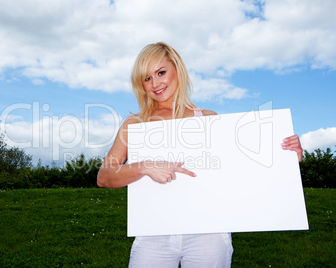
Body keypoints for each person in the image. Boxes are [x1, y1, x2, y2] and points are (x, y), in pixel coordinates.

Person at [97, 42, 303, 267]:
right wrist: (144, 166)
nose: (155, 83)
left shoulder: (207, 118)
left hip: (208, 232)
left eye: (161, 72)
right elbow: (104, 177)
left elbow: (240, 167)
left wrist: (285, 155)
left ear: (177, 69)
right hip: (153, 232)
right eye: (147, 78)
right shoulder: (134, 124)